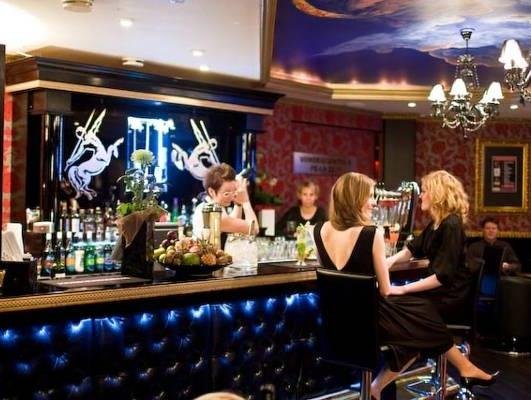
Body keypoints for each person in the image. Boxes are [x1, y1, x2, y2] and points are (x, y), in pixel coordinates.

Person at [313, 172, 453, 400]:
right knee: (425, 324)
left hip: (335, 323)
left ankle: (376, 388)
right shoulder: (373, 233)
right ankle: (376, 387)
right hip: (369, 322)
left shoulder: (318, 230)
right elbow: (386, 290)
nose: (374, 202)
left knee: (418, 325)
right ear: (355, 199)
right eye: (369, 196)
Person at [385, 170, 498, 388]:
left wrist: (403, 289)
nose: (421, 196)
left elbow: (441, 277)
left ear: (437, 194)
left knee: (410, 315)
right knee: (411, 324)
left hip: (451, 295)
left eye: (424, 191)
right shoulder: (436, 223)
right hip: (439, 291)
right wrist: (385, 263)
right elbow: (410, 250)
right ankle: (466, 367)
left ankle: (377, 387)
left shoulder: (451, 225)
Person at [192, 163, 259, 240]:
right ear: (211, 191)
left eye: (234, 190)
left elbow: (231, 223)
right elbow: (254, 229)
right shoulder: (213, 211)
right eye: (226, 193)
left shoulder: (208, 206)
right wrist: (245, 201)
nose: (232, 196)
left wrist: (238, 203)